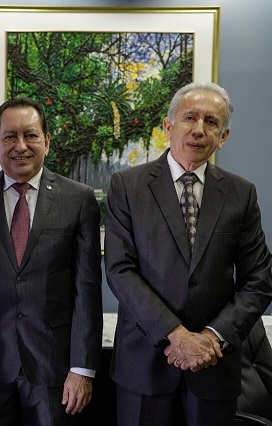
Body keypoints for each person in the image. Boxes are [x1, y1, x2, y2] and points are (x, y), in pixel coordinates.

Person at [104, 81, 272, 426]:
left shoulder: (241, 194)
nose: (198, 130)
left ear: (223, 136)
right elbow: (120, 270)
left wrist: (211, 338)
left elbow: (259, 279)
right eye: (189, 118)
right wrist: (176, 335)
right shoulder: (127, 186)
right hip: (145, 364)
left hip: (215, 365)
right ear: (168, 126)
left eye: (211, 122)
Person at [0, 97, 103, 425]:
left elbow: (86, 290)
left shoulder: (79, 199)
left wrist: (82, 368)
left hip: (56, 369)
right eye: (10, 137)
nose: (21, 146)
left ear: (46, 141)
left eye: (31, 135)